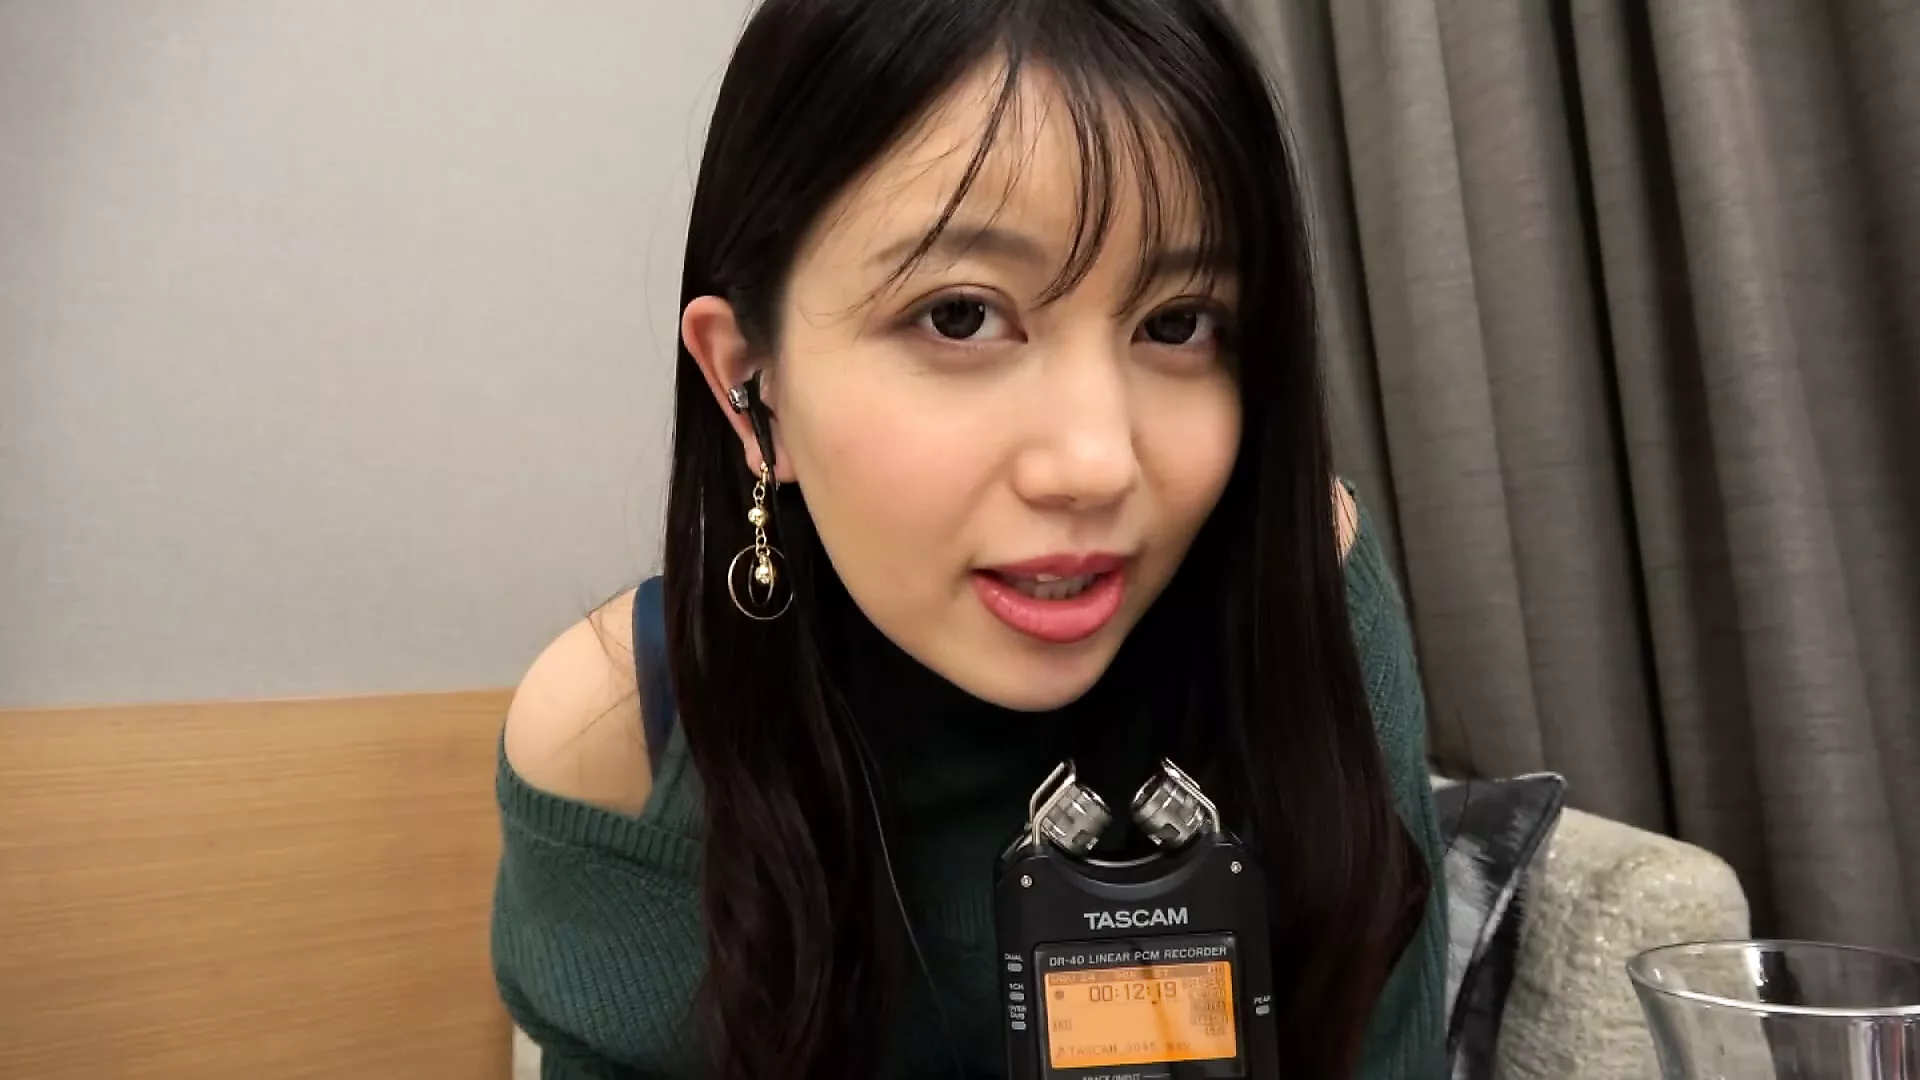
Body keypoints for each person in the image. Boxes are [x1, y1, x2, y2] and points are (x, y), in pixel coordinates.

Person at [492, 0, 1446, 1076]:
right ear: (750, 382)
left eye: (1177, 323)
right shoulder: (614, 741)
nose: (1096, 463)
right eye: (960, 316)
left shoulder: (1304, 593)